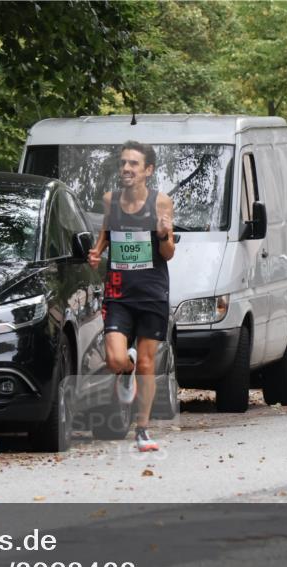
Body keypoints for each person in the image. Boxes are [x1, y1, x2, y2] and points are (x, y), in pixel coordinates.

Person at [88, 141, 175, 452]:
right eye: (123, 163)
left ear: (147, 171)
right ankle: (126, 373)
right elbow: (106, 234)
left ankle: (142, 430)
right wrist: (97, 252)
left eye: (133, 164)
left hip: (151, 292)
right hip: (118, 291)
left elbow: (168, 253)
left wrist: (163, 234)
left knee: (148, 364)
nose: (126, 168)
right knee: (114, 358)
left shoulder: (161, 203)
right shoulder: (110, 200)